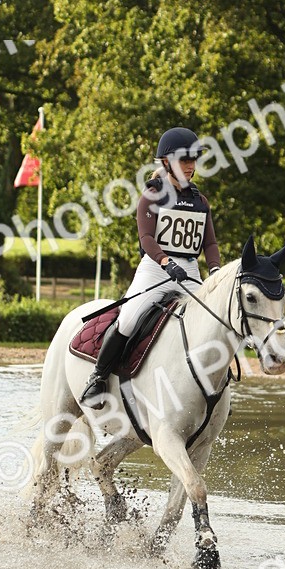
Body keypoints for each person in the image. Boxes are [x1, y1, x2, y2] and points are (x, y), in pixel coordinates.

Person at [80, 126, 222, 407]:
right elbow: (146, 238)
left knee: (213, 320)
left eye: (194, 160)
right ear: (167, 162)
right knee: (130, 317)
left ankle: (216, 388)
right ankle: (97, 378)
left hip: (190, 271)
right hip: (156, 268)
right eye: (185, 160)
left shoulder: (200, 201)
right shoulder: (152, 195)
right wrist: (166, 262)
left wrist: (215, 270)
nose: (191, 166)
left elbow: (210, 243)